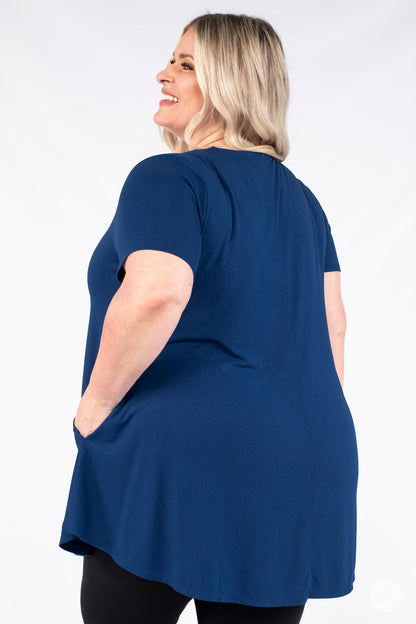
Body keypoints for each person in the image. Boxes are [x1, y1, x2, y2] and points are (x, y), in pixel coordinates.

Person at [58, 12, 359, 624]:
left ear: (230, 82)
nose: (163, 74)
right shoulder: (304, 202)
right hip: (301, 461)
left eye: (186, 64)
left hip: (178, 458)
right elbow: (334, 327)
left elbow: (158, 291)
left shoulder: (167, 178)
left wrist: (94, 409)